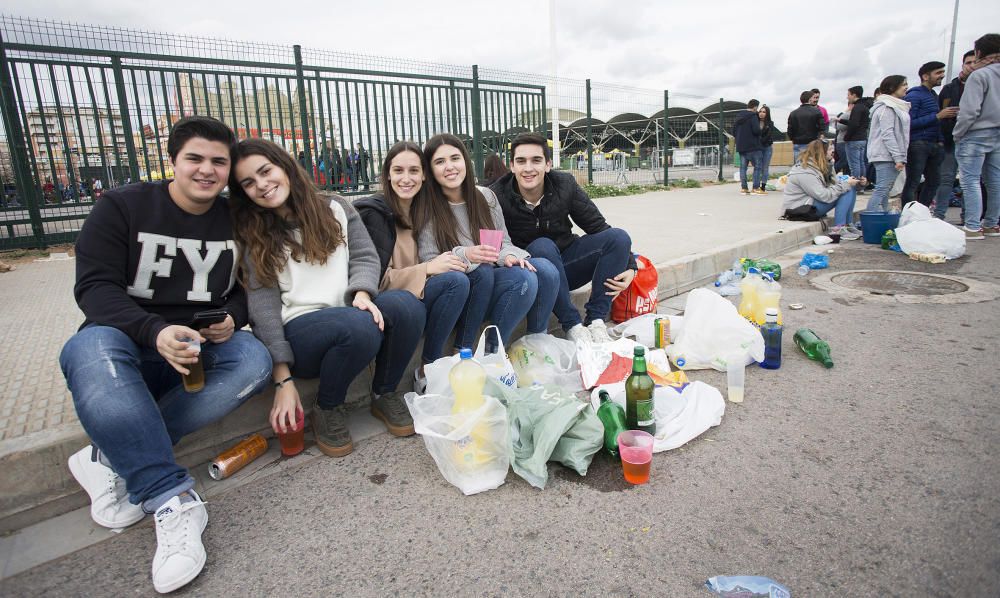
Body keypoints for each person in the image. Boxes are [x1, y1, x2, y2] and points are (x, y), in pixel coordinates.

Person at [59, 116, 272, 594]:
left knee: (253, 362)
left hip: (199, 345)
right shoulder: (122, 206)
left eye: (218, 162)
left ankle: (109, 455)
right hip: (122, 337)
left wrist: (232, 318)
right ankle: (171, 498)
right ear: (172, 161)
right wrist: (152, 330)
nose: (206, 170)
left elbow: (244, 291)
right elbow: (94, 288)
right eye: (194, 158)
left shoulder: (235, 218)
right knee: (85, 350)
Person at [229, 138, 423, 456]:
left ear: (285, 167)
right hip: (301, 334)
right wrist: (282, 377)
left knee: (406, 306)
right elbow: (262, 306)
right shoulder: (253, 232)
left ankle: (384, 394)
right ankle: (328, 407)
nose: (261, 185)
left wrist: (361, 292)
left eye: (265, 171)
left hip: (350, 314)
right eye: (248, 182)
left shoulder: (336, 207)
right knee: (359, 326)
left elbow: (364, 256)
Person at [489, 133, 637, 344]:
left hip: (567, 265)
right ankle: (573, 325)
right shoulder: (497, 196)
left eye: (536, 160)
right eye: (521, 161)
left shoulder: (564, 184)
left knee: (618, 238)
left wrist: (631, 265)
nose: (528, 168)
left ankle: (596, 321)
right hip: (532, 272)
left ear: (548, 164)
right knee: (542, 246)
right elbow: (493, 247)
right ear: (512, 166)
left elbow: (598, 227)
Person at [417, 133, 557, 352]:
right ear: (430, 169)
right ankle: (484, 351)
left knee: (545, 270)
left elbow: (502, 243)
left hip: (490, 278)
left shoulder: (486, 197)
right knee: (510, 277)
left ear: (466, 160)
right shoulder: (426, 207)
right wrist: (467, 254)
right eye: (440, 161)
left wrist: (510, 256)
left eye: (455, 158)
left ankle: (531, 345)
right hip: (460, 290)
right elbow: (429, 261)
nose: (450, 167)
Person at [355, 141, 471, 390]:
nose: (406, 179)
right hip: (385, 301)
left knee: (459, 278)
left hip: (419, 297)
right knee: (418, 301)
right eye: (398, 171)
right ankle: (401, 383)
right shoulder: (375, 214)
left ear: (424, 175)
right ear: (387, 174)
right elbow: (375, 280)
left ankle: (441, 361)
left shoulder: (426, 211)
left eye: (414, 171)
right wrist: (427, 268)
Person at [954, 33, 1000, 239]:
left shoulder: (980, 75)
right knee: (995, 181)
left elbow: (969, 110)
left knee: (970, 180)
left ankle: (972, 226)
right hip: (998, 134)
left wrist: (958, 133)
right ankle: (991, 224)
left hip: (976, 133)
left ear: (979, 53)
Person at [901, 61, 954, 208]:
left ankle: (922, 212)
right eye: (938, 73)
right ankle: (909, 214)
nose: (942, 76)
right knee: (913, 181)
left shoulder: (933, 95)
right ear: (925, 76)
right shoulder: (914, 96)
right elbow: (908, 123)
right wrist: (937, 116)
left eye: (942, 72)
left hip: (935, 144)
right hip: (918, 143)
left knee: (934, 181)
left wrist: (941, 141)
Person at [782, 139, 861, 235]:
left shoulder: (822, 165)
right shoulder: (804, 171)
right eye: (830, 149)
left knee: (849, 187)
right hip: (799, 210)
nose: (833, 151)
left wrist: (856, 182)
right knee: (846, 189)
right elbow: (824, 195)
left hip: (810, 204)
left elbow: (834, 185)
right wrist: (845, 184)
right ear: (821, 152)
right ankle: (839, 228)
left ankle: (848, 225)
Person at [936, 50, 977, 221]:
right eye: (969, 62)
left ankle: (969, 217)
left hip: (974, 140)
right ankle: (939, 214)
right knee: (946, 179)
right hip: (949, 140)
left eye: (975, 62)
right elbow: (939, 113)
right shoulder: (949, 89)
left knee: (970, 181)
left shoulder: (985, 84)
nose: (972, 66)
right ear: (963, 65)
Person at [866, 75, 911, 212]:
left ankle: (882, 220)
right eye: (903, 84)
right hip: (886, 155)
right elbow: (888, 134)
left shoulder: (891, 106)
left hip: (886, 155)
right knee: (882, 189)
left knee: (884, 190)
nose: (906, 87)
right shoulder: (887, 108)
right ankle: (871, 220)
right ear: (892, 87)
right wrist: (898, 157)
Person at [732, 99, 764, 195]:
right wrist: (760, 128)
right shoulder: (753, 116)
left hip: (741, 146)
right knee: (757, 167)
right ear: (755, 107)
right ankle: (755, 187)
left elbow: (733, 131)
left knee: (743, 168)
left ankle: (744, 188)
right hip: (753, 146)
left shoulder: (739, 116)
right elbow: (756, 131)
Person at [843, 86, 871, 191]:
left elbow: (853, 124)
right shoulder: (864, 107)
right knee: (861, 163)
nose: (847, 97)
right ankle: (862, 185)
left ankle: (855, 186)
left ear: (854, 95)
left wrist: (847, 137)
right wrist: (841, 120)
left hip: (854, 140)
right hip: (862, 138)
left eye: (848, 94)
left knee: (854, 164)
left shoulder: (857, 107)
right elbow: (858, 123)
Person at [788, 90, 826, 162]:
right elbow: (822, 127)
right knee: (813, 166)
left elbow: (790, 130)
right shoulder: (817, 111)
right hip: (813, 143)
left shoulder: (793, 113)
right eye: (813, 97)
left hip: (798, 143)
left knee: (798, 166)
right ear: (810, 99)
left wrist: (793, 139)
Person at [757, 105, 776, 193]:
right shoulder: (755, 122)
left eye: (764, 112)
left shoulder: (770, 123)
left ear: (767, 113)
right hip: (757, 148)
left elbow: (769, 136)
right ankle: (756, 185)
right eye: (760, 111)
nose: (761, 113)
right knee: (758, 167)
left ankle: (763, 186)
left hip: (767, 147)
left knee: (765, 167)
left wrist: (760, 142)